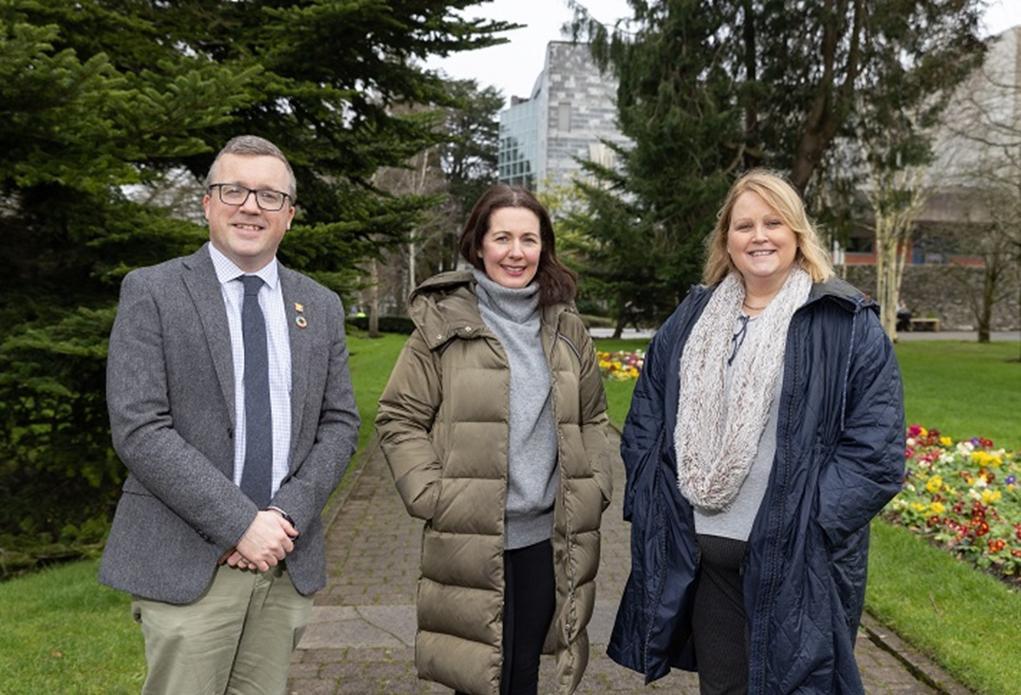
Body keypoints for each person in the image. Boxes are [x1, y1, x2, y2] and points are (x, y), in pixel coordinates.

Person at [606, 170, 905, 694]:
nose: (759, 236)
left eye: (773, 222)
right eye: (744, 225)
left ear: (797, 233)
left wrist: (810, 523)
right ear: (727, 239)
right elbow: (646, 419)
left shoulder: (844, 321)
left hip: (793, 563)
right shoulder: (692, 318)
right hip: (706, 560)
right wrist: (653, 496)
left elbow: (876, 450)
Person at [100, 135, 360, 694]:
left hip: (282, 563)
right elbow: (140, 427)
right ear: (207, 203)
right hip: (191, 563)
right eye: (233, 189)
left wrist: (281, 519)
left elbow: (340, 425)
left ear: (289, 216)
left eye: (269, 196)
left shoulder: (318, 305)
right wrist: (241, 524)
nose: (250, 206)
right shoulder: (153, 291)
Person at [375, 184, 614, 695]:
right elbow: (399, 416)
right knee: (477, 680)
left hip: (546, 537)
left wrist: (593, 485)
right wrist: (432, 495)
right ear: (478, 245)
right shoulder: (443, 324)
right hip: (471, 535)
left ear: (543, 247)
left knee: (522, 671)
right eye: (501, 237)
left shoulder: (567, 325)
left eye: (529, 239)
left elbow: (593, 416)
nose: (515, 252)